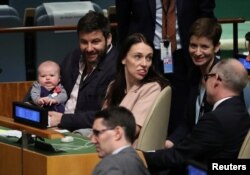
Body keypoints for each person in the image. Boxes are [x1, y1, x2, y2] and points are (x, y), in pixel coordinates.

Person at [116, 0, 216, 135]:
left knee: (181, 109)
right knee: (146, 106)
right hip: (148, 54)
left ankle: (173, 145)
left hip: (184, 56)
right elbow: (123, 19)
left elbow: (207, 17)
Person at [143, 58, 250, 173]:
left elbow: (178, 156)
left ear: (217, 79)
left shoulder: (215, 120)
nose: (205, 82)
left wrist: (141, 156)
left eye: (207, 77)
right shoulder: (242, 113)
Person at [48, 11, 118, 131]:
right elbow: (52, 84)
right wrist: (32, 103)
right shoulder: (74, 56)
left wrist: (62, 119)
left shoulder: (117, 67)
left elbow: (108, 115)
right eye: (84, 42)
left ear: (109, 39)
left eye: (95, 42)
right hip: (56, 124)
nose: (89, 49)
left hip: (85, 131)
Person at [165, 18, 222, 148]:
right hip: (193, 146)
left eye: (204, 47)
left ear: (216, 47)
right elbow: (187, 122)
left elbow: (218, 131)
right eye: (193, 45)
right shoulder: (193, 74)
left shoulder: (224, 79)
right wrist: (169, 142)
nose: (197, 52)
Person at [102, 33, 169, 139]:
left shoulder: (152, 88)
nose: (144, 64)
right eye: (138, 57)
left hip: (129, 152)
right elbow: (101, 124)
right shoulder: (113, 86)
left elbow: (129, 133)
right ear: (123, 59)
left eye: (148, 58)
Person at [91, 106, 150, 175]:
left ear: (117, 133)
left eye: (97, 133)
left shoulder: (110, 166)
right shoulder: (138, 163)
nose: (93, 140)